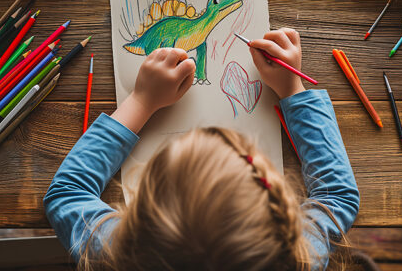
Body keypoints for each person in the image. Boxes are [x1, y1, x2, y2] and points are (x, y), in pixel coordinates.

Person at [44, 28, 360, 270]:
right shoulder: (299, 255)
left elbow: (66, 194)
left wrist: (140, 101)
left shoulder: (122, 253)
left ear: (143, 215)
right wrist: (292, 87)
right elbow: (339, 196)